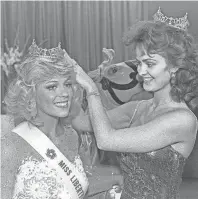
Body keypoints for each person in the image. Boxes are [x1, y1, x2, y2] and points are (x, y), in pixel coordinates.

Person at [72, 10, 198, 198]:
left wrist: (91, 90)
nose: (141, 71)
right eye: (139, 63)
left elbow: (106, 140)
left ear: (174, 66)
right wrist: (69, 89)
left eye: (150, 63)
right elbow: (81, 122)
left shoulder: (182, 120)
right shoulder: (137, 108)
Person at [1, 40, 123, 199]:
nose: (65, 93)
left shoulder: (71, 136)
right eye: (52, 87)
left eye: (67, 84)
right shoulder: (10, 145)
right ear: (30, 93)